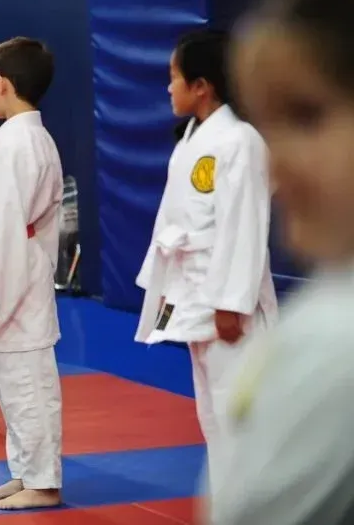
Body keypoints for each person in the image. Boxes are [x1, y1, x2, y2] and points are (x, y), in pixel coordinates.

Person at [204, 0, 354, 525]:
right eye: (271, 124)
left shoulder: (335, 348)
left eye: (309, 117)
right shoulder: (321, 317)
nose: (278, 165)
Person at [134, 30, 278, 489]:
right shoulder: (192, 139)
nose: (168, 88)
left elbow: (246, 227)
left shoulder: (240, 140)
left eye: (174, 78)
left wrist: (232, 303)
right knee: (212, 412)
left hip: (227, 301)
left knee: (240, 415)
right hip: (194, 290)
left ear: (202, 85)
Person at [0, 37, 64, 511]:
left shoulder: (21, 142)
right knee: (13, 384)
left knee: (30, 387)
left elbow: (7, 225)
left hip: (15, 272)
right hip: (10, 266)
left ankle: (43, 481)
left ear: (2, 83)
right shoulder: (19, 137)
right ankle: (24, 472)